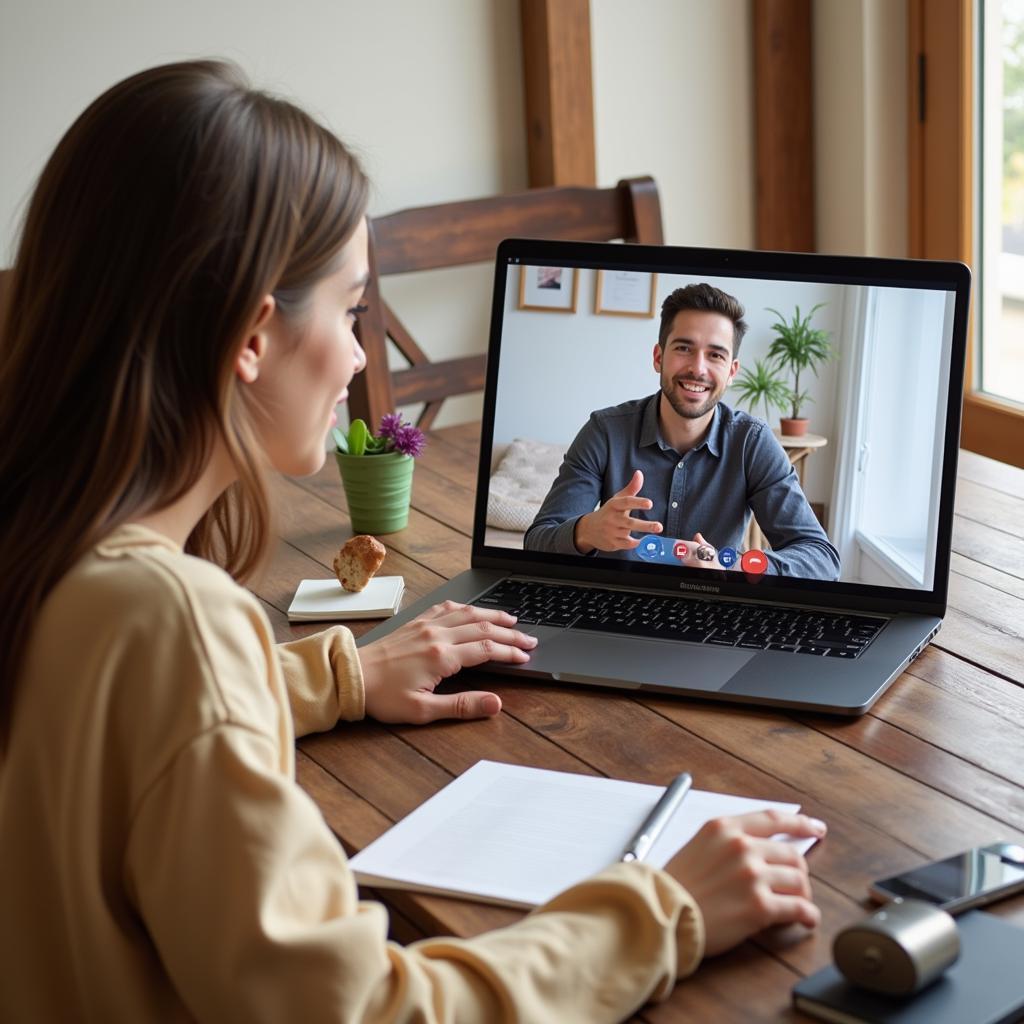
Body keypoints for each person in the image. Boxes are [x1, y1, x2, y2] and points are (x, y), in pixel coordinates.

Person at [0, 61, 826, 1022]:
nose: (361, 356)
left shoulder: (55, 558)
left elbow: (148, 713)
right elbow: (371, 1012)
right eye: (354, 313)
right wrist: (664, 910)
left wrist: (335, 677)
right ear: (254, 336)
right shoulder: (176, 622)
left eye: (717, 353)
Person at [524, 283, 841, 581]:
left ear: (731, 372)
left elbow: (822, 560)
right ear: (658, 357)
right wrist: (586, 531)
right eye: (684, 348)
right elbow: (537, 541)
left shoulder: (752, 442)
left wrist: (734, 565)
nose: (698, 368)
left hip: (714, 610)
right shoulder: (604, 431)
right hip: (612, 604)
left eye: (715, 354)